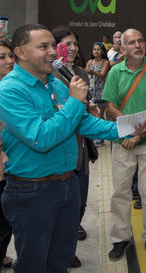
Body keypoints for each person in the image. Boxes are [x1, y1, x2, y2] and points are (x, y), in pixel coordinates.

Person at [0, 24, 137, 273]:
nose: (53, 52)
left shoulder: (56, 83)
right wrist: (75, 101)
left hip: (67, 185)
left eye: (53, 45)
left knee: (60, 261)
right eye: (43, 46)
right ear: (19, 52)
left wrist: (130, 126)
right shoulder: (9, 91)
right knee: (33, 265)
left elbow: (83, 122)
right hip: (31, 191)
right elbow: (41, 137)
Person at [102, 28, 146, 260]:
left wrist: (140, 134)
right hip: (123, 141)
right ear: (123, 48)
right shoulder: (115, 72)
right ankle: (120, 238)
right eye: (131, 42)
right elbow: (109, 106)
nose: (137, 45)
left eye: (140, 41)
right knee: (120, 191)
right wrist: (130, 133)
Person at [51, 26, 95, 268]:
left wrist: (89, 108)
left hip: (81, 146)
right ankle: (61, 252)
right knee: (61, 205)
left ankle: (68, 248)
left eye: (75, 44)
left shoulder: (81, 73)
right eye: (66, 44)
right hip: (59, 147)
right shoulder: (50, 76)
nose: (72, 48)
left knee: (79, 202)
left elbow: (84, 105)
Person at [0, 39, 13, 270]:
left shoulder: (14, 87)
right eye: (2, 57)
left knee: (5, 220)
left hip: (10, 168)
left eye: (10, 55)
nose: (9, 61)